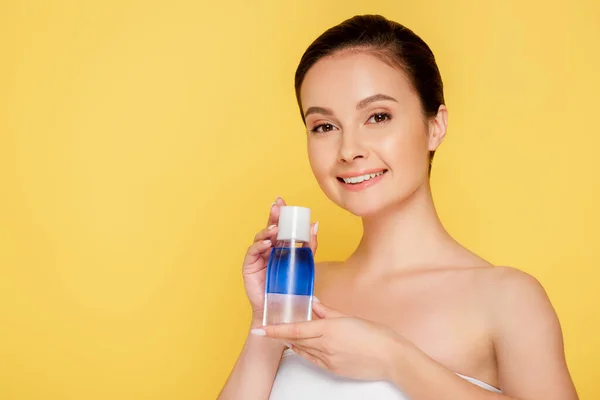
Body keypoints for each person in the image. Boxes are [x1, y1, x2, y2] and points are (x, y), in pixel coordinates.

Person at [217, 14, 578, 400]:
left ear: (434, 126)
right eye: (324, 126)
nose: (349, 149)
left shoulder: (507, 299)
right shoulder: (305, 289)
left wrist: (395, 359)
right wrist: (267, 317)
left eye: (377, 116)